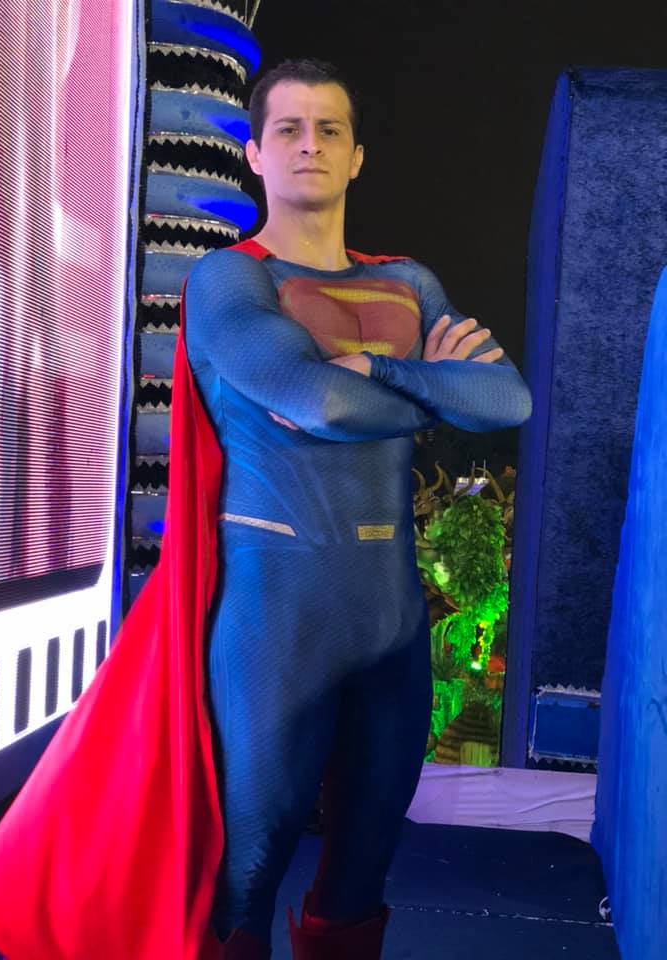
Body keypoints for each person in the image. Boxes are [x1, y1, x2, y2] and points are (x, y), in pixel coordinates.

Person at [185, 58, 532, 959]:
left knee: (363, 871)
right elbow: (320, 405)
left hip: (389, 617)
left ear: (356, 156)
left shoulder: (408, 281)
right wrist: (435, 387)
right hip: (276, 615)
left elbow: (508, 401)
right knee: (249, 867)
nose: (310, 145)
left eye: (329, 130)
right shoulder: (228, 281)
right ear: (256, 154)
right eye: (289, 129)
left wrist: (374, 365)